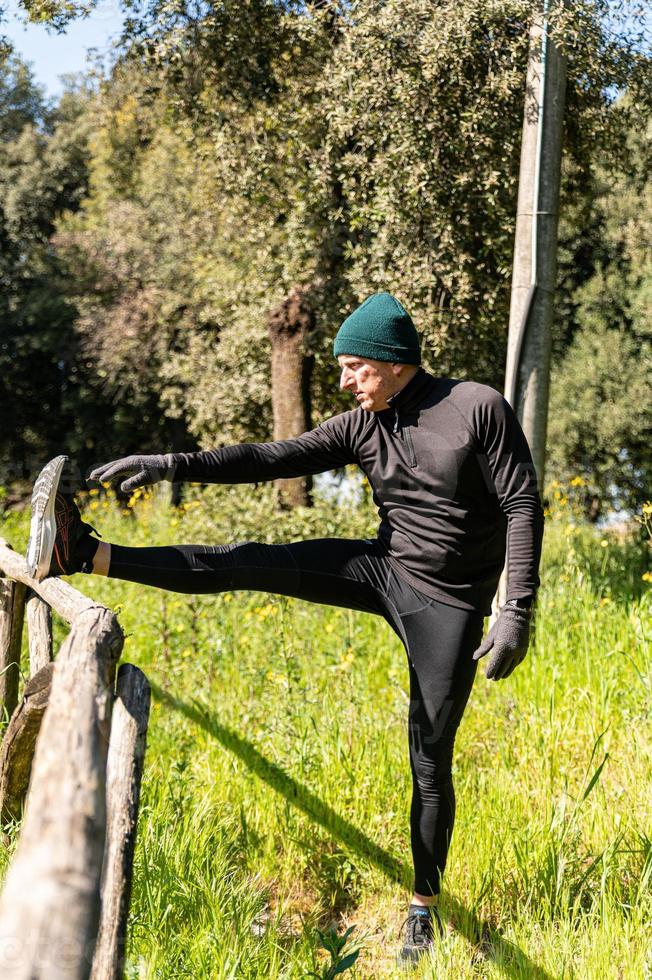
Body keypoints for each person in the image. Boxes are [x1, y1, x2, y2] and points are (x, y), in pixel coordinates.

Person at [26, 292, 543, 965]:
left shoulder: (476, 408)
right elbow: (269, 457)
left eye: (356, 366)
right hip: (383, 568)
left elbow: (521, 506)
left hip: (448, 604)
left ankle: (423, 906)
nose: (346, 380)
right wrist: (170, 465)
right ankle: (84, 553)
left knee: (429, 757)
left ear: (393, 362)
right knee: (249, 562)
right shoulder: (363, 425)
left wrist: (515, 611)